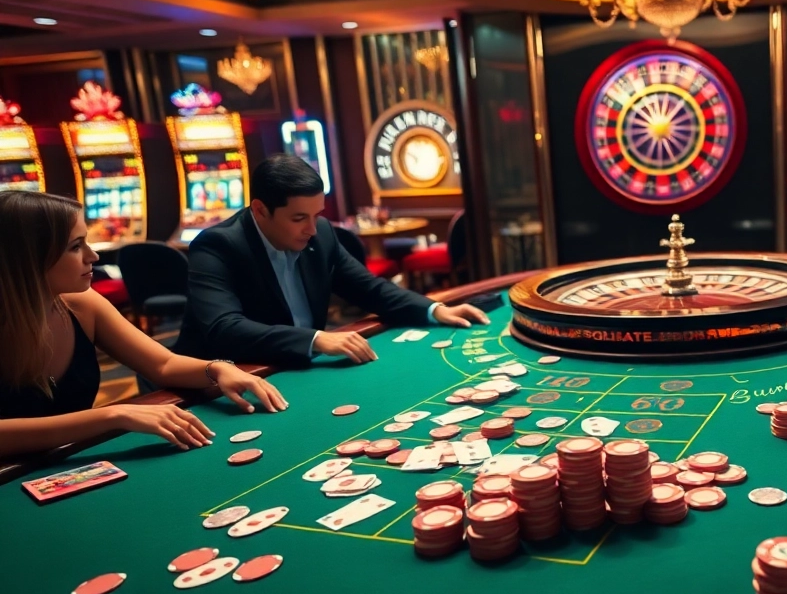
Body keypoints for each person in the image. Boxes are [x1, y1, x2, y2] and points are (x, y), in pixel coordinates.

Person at [0, 192, 286, 459]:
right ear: (28, 260)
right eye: (76, 246)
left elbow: (163, 365)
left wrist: (218, 368)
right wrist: (113, 415)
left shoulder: (82, 303)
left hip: (67, 464)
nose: (93, 256)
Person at [175, 154, 487, 366]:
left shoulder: (321, 233)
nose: (311, 229)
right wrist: (316, 340)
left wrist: (434, 309)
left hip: (297, 369)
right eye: (299, 218)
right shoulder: (218, 245)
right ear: (260, 210)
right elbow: (224, 328)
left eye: (317, 215)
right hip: (221, 385)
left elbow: (369, 288)